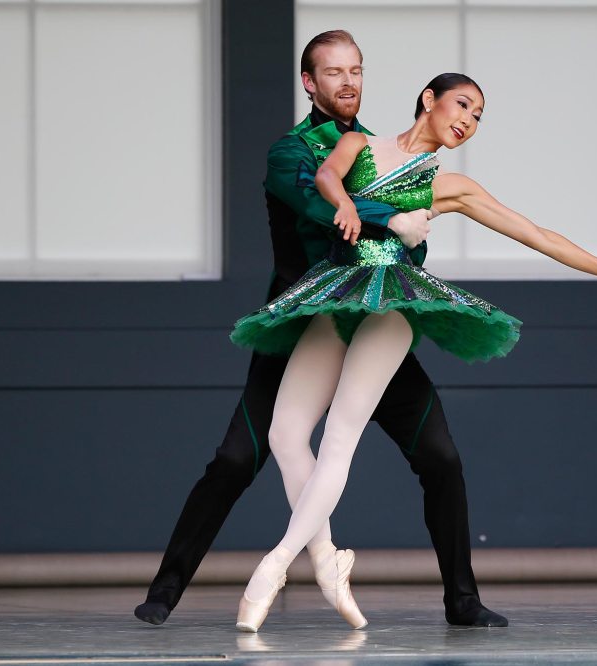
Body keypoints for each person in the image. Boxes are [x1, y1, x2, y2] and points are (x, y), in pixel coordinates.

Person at [230, 72, 597, 632]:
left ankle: (274, 566)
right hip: (335, 291)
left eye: (479, 116)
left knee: (340, 436)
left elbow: (535, 233)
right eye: (463, 104)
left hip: (392, 305)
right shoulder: (357, 142)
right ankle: (327, 560)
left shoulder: (450, 186)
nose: (469, 120)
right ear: (428, 99)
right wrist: (351, 206)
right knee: (285, 435)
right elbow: (326, 178)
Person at [135, 30, 508, 629]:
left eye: (356, 70)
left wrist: (418, 226)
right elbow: (325, 207)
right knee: (238, 458)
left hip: (371, 319)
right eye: (334, 73)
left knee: (440, 457)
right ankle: (169, 587)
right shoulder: (291, 152)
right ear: (310, 83)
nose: (349, 82)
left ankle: (462, 599)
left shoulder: (372, 146)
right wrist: (408, 217)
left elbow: (408, 203)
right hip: (301, 327)